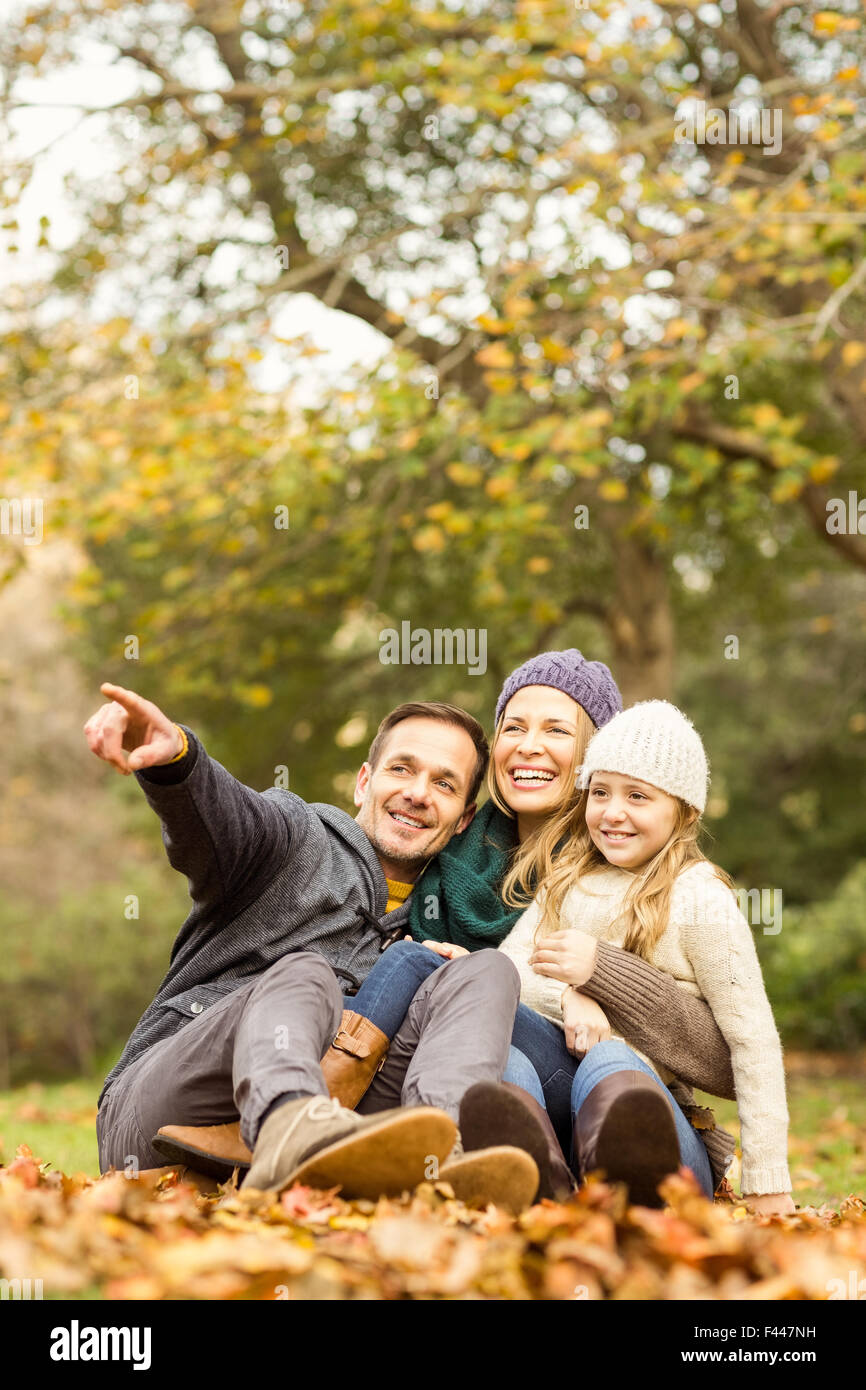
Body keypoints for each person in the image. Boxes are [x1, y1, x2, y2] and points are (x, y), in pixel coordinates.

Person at [276, 652, 740, 1207]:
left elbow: (731, 1058)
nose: (529, 745)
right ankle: (540, 1189)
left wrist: (599, 981)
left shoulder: (639, 859)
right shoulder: (445, 845)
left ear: (598, 752)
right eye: (513, 727)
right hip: (508, 1114)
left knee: (541, 1045)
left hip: (640, 1128)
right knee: (498, 1058)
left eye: (556, 730)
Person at [86, 683, 536, 1209]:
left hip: (339, 1127)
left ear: (462, 819)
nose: (418, 792)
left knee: (487, 971)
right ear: (364, 783)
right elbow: (226, 821)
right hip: (166, 1108)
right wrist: (177, 764)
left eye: (444, 783)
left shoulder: (434, 923)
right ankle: (287, 1126)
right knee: (307, 973)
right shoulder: (297, 837)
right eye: (401, 769)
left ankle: (440, 1161)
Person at [499, 700, 795, 1215]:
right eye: (600, 792)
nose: (613, 812)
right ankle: (534, 1179)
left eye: (637, 796)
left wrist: (768, 1180)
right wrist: (571, 996)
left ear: (684, 811)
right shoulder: (569, 879)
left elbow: (753, 1045)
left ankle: (629, 1190)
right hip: (570, 1123)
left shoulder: (700, 898)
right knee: (496, 1037)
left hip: (666, 1145)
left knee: (612, 1058)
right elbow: (509, 972)